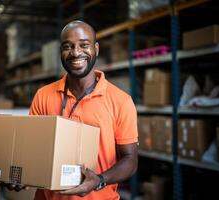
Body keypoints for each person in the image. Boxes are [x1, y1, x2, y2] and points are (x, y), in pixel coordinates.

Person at [28, 20, 139, 200]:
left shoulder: (121, 101)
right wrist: (18, 174)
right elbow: (32, 149)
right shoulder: (43, 95)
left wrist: (99, 180)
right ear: (61, 52)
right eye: (67, 46)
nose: (76, 52)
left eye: (84, 45)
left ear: (96, 49)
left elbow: (130, 160)